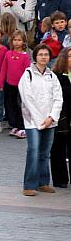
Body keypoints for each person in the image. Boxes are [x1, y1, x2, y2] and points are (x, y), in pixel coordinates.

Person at [19, 44, 63, 196]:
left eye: (46, 54)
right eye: (40, 54)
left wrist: (51, 117)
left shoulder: (52, 76)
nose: (43, 57)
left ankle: (43, 182)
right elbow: (27, 99)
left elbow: (58, 98)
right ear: (35, 57)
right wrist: (39, 120)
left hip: (50, 121)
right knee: (33, 150)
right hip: (32, 122)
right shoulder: (27, 75)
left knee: (45, 153)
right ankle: (29, 185)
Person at [0, 30, 31, 139]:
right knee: (9, 105)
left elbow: (27, 72)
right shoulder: (8, 54)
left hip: (20, 86)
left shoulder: (25, 57)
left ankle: (22, 127)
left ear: (23, 42)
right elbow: (4, 69)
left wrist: (27, 85)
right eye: (15, 40)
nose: (17, 42)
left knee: (20, 106)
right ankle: (14, 125)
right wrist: (1, 81)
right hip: (9, 84)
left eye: (19, 40)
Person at [50, 47, 71, 188]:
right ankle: (60, 179)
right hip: (61, 116)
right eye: (70, 56)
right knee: (58, 149)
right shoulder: (56, 75)